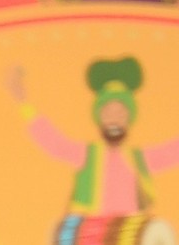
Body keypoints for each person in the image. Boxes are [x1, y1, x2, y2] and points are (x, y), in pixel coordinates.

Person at [15, 57, 179, 217]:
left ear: (128, 119)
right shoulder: (87, 154)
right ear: (100, 118)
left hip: (131, 230)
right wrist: (25, 105)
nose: (114, 119)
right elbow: (55, 143)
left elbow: (172, 152)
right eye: (108, 113)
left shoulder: (140, 159)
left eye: (120, 114)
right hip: (91, 228)